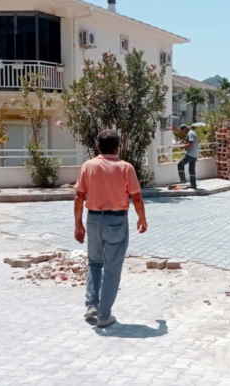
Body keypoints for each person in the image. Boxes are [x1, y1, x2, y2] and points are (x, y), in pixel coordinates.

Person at [74, 130, 148, 328]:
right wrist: (142, 218)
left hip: (93, 220)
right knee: (112, 270)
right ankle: (104, 315)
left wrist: (78, 224)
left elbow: (79, 197)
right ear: (117, 147)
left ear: (98, 147)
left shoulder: (88, 166)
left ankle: (91, 305)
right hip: (116, 221)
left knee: (94, 263)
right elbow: (137, 197)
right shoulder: (126, 168)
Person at [177, 124, 200, 189]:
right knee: (191, 169)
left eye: (182, 130)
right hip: (195, 154)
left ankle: (183, 179)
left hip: (191, 154)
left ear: (185, 128)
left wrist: (183, 146)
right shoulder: (193, 133)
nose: (182, 132)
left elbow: (191, 144)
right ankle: (193, 184)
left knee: (180, 164)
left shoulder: (190, 134)